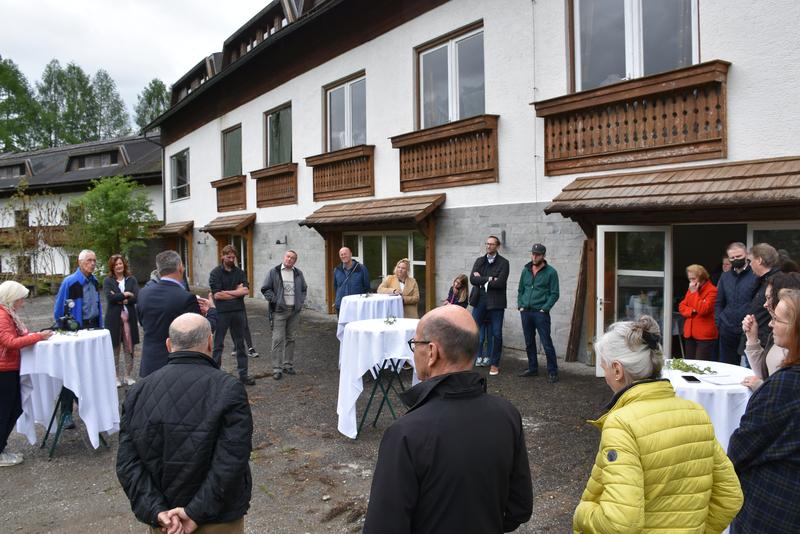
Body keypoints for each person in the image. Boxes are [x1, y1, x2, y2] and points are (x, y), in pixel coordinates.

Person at [363, 304, 532, 532]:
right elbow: (519, 508)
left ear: (432, 352)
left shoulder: (406, 433)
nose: (413, 352)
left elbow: (383, 527)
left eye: (415, 344)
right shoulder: (507, 414)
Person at [574, 316, 742, 533]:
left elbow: (620, 522)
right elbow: (730, 497)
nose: (604, 373)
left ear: (617, 370)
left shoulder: (622, 424)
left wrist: (583, 513)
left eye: (604, 366)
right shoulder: (696, 413)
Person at [117, 313, 253, 533]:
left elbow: (127, 462)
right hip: (218, 519)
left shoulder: (137, 392)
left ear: (169, 345)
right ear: (210, 342)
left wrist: (156, 510)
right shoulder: (228, 389)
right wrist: (195, 512)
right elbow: (232, 459)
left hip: (165, 522)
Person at [728, 288, 800, 533]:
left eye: (778, 319)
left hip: (773, 507)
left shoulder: (785, 385)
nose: (770, 323)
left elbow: (743, 446)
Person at [137, 250, 217, 378]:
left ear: (159, 269)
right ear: (180, 267)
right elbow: (201, 332)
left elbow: (142, 322)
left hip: (149, 364)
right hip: (176, 368)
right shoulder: (185, 298)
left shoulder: (143, 293)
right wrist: (212, 310)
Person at [0, 281, 53, 467]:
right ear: (12, 299)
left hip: (9, 367)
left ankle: (2, 447)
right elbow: (9, 342)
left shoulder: (9, 314)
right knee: (7, 410)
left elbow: (17, 338)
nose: (22, 302)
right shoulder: (2, 315)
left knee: (14, 408)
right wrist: (38, 337)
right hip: (4, 370)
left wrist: (36, 335)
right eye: (21, 299)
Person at [53, 248, 103, 429]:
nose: (93, 263)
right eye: (89, 260)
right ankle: (66, 413)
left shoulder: (95, 281)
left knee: (90, 371)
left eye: (94, 260)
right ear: (80, 263)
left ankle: (88, 408)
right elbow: (59, 310)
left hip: (93, 329)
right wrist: (64, 330)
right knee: (70, 372)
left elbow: (97, 306)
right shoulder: (71, 282)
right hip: (76, 332)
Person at [741, 272, 800, 391]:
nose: (765, 304)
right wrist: (752, 338)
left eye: (769, 298)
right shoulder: (779, 333)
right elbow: (765, 373)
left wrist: (760, 386)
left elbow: (788, 392)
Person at [209, 245, 255, 386]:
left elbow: (246, 291)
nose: (231, 259)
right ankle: (215, 375)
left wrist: (227, 293)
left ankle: (243, 375)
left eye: (233, 257)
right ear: (222, 256)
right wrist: (236, 292)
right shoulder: (215, 273)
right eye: (228, 257)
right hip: (221, 313)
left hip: (238, 312)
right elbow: (217, 294)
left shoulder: (239, 272)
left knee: (240, 344)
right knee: (218, 345)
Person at [260, 250, 307, 380]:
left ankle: (288, 365)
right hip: (279, 311)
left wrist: (300, 302)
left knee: (291, 338)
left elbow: (304, 289)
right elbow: (265, 288)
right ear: (284, 257)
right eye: (288, 256)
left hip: (294, 311)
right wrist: (275, 300)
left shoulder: (298, 273)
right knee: (277, 339)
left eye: (292, 258)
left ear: (295, 261)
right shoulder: (274, 271)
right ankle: (277, 368)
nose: (289, 259)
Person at [517, 243, 560, 383]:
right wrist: (521, 305)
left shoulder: (551, 272)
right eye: (533, 254)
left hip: (540, 313)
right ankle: (532, 368)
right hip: (526, 312)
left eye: (537, 254)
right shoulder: (526, 270)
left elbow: (555, 294)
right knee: (529, 342)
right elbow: (520, 290)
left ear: (543, 256)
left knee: (546, 342)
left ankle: (553, 371)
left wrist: (544, 308)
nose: (534, 256)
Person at [469, 235, 510, 376]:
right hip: (479, 300)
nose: (488, 246)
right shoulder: (479, 261)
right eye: (487, 243)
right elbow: (472, 279)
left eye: (492, 244)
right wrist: (489, 278)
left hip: (496, 303)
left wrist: (481, 279)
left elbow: (500, 283)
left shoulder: (504, 263)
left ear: (497, 246)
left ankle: (494, 363)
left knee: (496, 333)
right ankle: (469, 360)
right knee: (472, 331)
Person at [715, 242, 758, 365]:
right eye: (732, 258)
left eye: (738, 256)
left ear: (746, 255)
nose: (735, 259)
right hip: (727, 327)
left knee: (751, 366)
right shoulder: (725, 276)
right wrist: (719, 323)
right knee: (727, 366)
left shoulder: (755, 275)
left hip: (749, 328)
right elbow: (719, 302)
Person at [103, 254, 140, 387]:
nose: (119, 266)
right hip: (113, 319)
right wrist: (126, 294)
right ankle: (116, 377)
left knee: (129, 347)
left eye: (121, 263)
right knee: (115, 349)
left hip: (130, 319)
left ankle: (128, 376)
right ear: (112, 267)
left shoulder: (132, 279)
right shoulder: (108, 281)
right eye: (116, 264)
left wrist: (120, 298)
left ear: (124, 264)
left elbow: (136, 297)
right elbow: (109, 298)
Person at [678, 264, 718, 360]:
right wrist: (693, 310)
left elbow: (703, 310)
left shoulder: (712, 291)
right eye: (689, 279)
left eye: (693, 279)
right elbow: (681, 307)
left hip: (704, 335)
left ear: (702, 277)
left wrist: (694, 294)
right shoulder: (692, 289)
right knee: (689, 364)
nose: (691, 282)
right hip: (690, 332)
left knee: (701, 365)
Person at [746, 243, 781, 349]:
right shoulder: (760, 281)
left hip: (765, 343)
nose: (749, 265)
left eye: (750, 261)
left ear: (759, 260)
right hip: (756, 339)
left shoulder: (777, 282)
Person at [333, 247, 370, 313]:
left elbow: (366, 287)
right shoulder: (337, 270)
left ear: (350, 254)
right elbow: (335, 286)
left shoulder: (361, 268)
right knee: (342, 323)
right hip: (341, 304)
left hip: (357, 304)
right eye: (341, 254)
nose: (343, 256)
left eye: (345, 254)